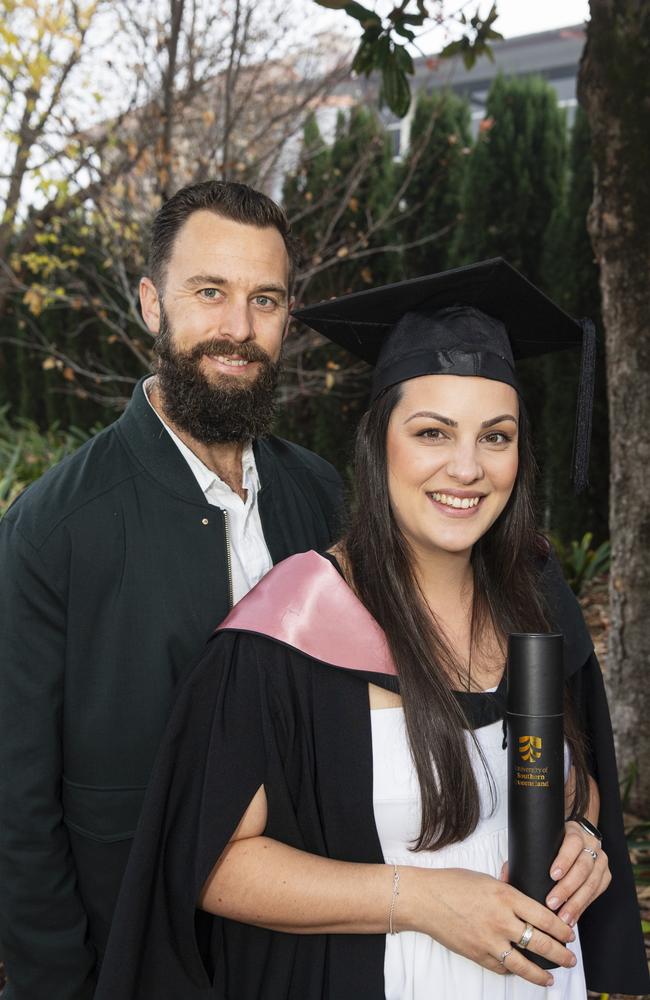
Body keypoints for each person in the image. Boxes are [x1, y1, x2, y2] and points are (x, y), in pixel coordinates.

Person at [95, 259, 649, 999]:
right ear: (378, 440)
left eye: (496, 436)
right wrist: (419, 900)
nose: (467, 467)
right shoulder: (291, 626)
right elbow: (212, 864)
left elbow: (575, 778)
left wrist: (581, 834)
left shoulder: (536, 595)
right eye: (432, 432)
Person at [0, 180, 343, 1000]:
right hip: (138, 963)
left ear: (288, 316)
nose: (238, 328)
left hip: (312, 956)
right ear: (153, 303)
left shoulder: (320, 498)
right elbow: (18, 809)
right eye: (209, 292)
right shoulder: (55, 529)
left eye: (265, 299)